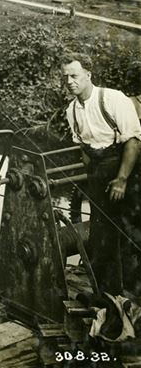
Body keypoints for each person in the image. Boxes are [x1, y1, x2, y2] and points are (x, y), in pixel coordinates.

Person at [62, 53, 141, 299]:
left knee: (131, 231)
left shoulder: (112, 99)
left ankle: (134, 293)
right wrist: (93, 179)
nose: (70, 82)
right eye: (65, 77)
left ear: (88, 75)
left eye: (74, 75)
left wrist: (122, 179)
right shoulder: (72, 111)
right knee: (100, 233)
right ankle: (107, 293)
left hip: (126, 168)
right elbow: (84, 149)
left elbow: (133, 142)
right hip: (98, 172)